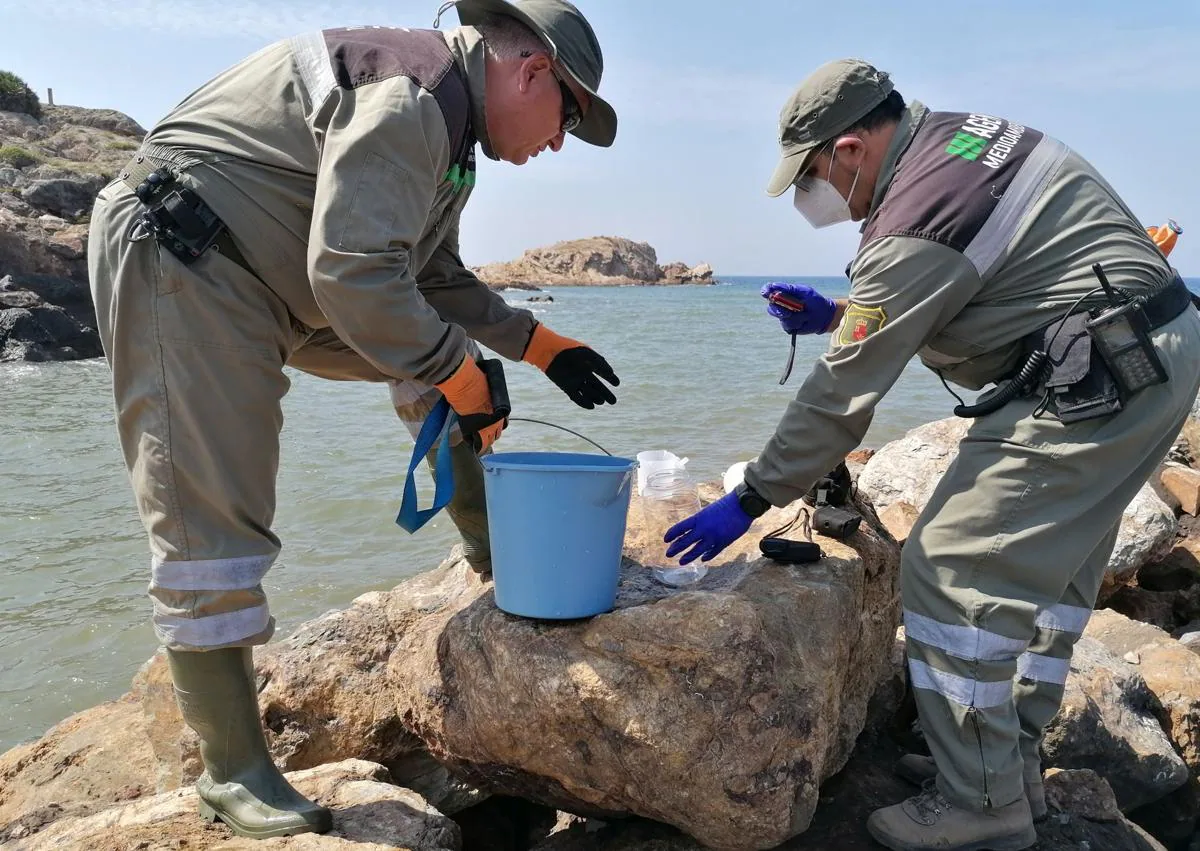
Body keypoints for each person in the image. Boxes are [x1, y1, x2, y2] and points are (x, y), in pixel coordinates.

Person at [86, 0, 619, 839]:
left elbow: (427, 276)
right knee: (209, 508)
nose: (558, 142)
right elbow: (354, 274)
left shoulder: (450, 132)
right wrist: (458, 368)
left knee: (445, 364)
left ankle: (491, 551)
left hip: (276, 277)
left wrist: (535, 343)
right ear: (533, 72)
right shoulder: (411, 99)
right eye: (570, 119)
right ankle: (232, 767)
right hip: (188, 258)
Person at [663, 58, 1200, 851]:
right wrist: (843, 312)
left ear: (849, 149)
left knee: (950, 568)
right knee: (1047, 574)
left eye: (811, 176)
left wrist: (750, 497)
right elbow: (991, 280)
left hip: (1101, 374)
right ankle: (1001, 761)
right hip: (1153, 352)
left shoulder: (913, 217)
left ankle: (982, 803)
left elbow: (841, 394)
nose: (815, 199)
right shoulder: (964, 144)